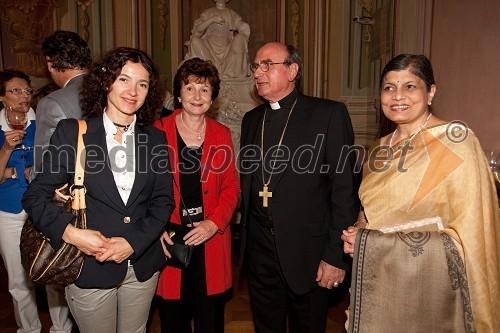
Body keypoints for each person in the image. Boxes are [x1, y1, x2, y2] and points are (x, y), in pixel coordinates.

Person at [342, 54, 500, 332]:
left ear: (431, 93)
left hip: (432, 291)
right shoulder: (378, 148)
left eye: (410, 86)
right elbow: (370, 210)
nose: (397, 96)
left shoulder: (456, 141)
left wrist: (373, 244)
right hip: (381, 285)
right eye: (389, 87)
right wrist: (359, 232)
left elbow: (472, 234)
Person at [22, 47, 174, 333]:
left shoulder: (154, 138)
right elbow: (35, 196)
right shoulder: (73, 132)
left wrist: (133, 242)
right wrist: (72, 234)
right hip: (90, 265)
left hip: (141, 265)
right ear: (106, 82)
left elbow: (163, 201)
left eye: (142, 83)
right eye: (124, 79)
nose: (133, 91)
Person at [239, 42, 360, 332]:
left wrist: (335, 257)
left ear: (292, 70)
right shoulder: (251, 120)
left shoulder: (328, 114)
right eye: (256, 66)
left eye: (268, 64)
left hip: (309, 251)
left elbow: (345, 190)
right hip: (260, 252)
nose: (258, 72)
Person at [154, 57, 240, 333]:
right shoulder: (157, 131)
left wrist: (213, 223)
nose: (197, 96)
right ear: (178, 93)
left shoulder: (222, 134)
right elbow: (144, 189)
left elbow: (232, 187)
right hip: (170, 238)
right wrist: (156, 228)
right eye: (189, 88)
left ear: (213, 97)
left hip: (210, 238)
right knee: (173, 318)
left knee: (209, 320)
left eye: (204, 89)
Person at [0, 70, 40, 332]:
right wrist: (6, 150)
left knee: (52, 272)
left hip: (43, 208)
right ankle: (29, 329)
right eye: (16, 91)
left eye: (27, 90)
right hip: (9, 211)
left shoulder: (45, 121)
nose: (24, 96)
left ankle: (61, 329)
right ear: (2, 98)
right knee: (18, 280)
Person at [34, 30, 92, 172]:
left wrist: (30, 174)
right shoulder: (112, 89)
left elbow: (46, 167)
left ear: (50, 64)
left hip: (77, 189)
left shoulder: (52, 103)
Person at [187, 0, 250, 79]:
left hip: (228, 49)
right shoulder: (208, 13)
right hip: (209, 49)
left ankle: (231, 71)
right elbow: (198, 29)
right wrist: (211, 20)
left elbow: (239, 24)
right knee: (195, 40)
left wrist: (243, 26)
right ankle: (211, 69)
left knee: (240, 37)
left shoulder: (231, 13)